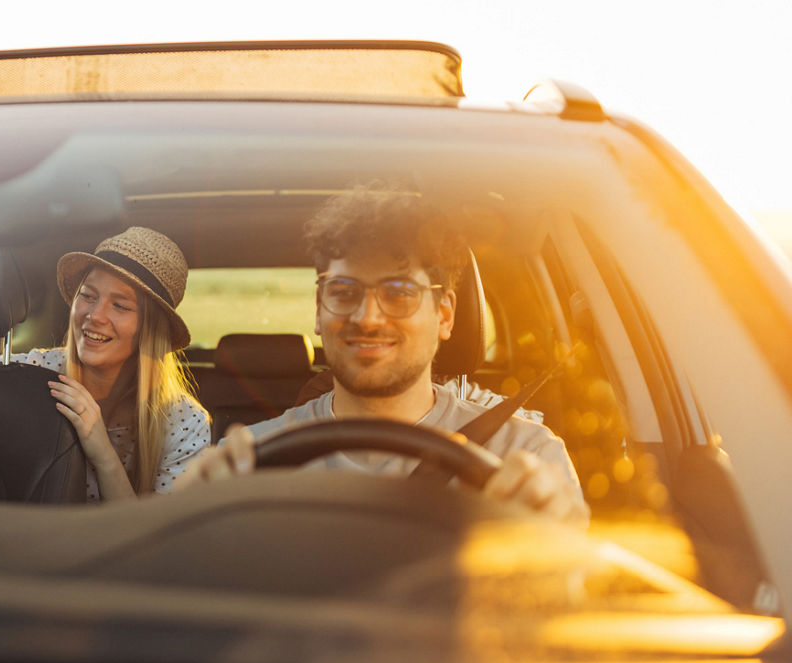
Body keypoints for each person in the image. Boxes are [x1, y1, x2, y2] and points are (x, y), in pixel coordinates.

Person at [178, 182, 589, 525]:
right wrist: (191, 517)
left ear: (444, 315)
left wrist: (557, 540)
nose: (368, 318)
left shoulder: (524, 460)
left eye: (398, 293)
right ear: (319, 311)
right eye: (343, 291)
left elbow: (574, 612)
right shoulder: (246, 467)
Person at [0, 227, 211, 502]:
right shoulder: (30, 373)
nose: (95, 315)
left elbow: (157, 548)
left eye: (120, 305)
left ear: (150, 330)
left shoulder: (183, 422)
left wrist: (102, 451)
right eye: (87, 295)